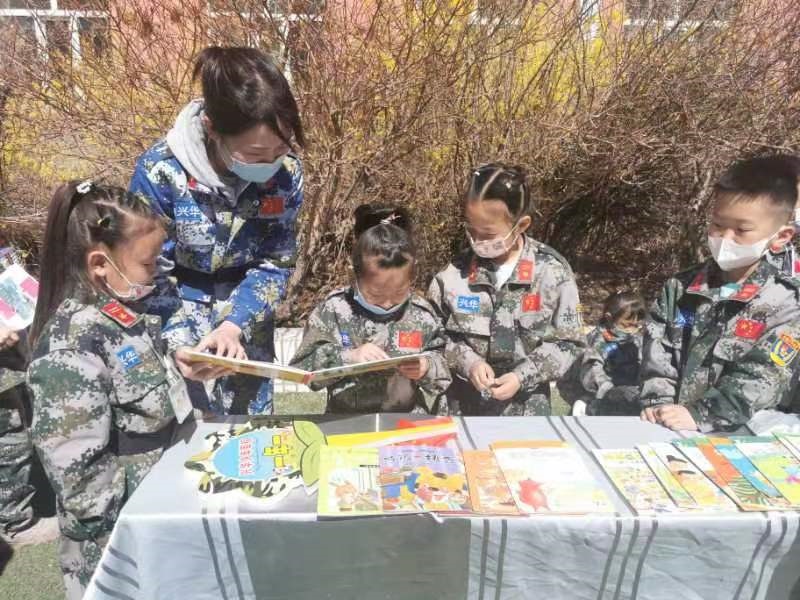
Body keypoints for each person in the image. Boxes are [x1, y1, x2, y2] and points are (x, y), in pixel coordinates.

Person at [26, 182, 224, 598]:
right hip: (123, 544)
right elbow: (83, 483)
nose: (156, 273)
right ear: (101, 264)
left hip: (162, 510)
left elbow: (135, 391)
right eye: (148, 263)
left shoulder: (119, 317)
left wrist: (180, 366)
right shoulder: (69, 347)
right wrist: (147, 523)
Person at [129, 46, 305, 415]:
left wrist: (234, 324)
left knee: (251, 434)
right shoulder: (161, 173)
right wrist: (179, 341)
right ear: (212, 128)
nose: (271, 164)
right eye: (255, 155)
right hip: (178, 316)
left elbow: (276, 262)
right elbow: (147, 271)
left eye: (280, 149)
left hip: (246, 323)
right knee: (188, 430)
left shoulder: (286, 175)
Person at [640, 156, 800, 432]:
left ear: (781, 236)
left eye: (742, 230)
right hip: (668, 426)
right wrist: (658, 403)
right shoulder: (680, 287)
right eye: (717, 224)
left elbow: (763, 375)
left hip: (742, 433)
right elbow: (658, 352)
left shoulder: (786, 301)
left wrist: (701, 414)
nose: (725, 238)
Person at [428, 163, 584, 416]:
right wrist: (469, 363)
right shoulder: (453, 274)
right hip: (462, 410)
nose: (477, 241)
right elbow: (434, 335)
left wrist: (522, 375)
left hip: (526, 411)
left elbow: (570, 342)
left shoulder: (551, 273)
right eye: (471, 230)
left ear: (521, 225)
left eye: (488, 233)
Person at [290, 205, 451, 413]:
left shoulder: (421, 314)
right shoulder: (334, 310)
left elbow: (444, 368)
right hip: (346, 420)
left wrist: (426, 367)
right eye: (376, 293)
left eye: (399, 292)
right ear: (355, 277)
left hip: (405, 420)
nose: (387, 302)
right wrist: (349, 357)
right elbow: (303, 370)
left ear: (412, 279)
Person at [575, 290, 645, 416]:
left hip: (631, 394)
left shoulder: (635, 339)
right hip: (603, 394)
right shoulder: (601, 341)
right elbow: (591, 369)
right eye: (626, 325)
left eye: (636, 326)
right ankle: (587, 408)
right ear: (609, 318)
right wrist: (607, 389)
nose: (632, 330)